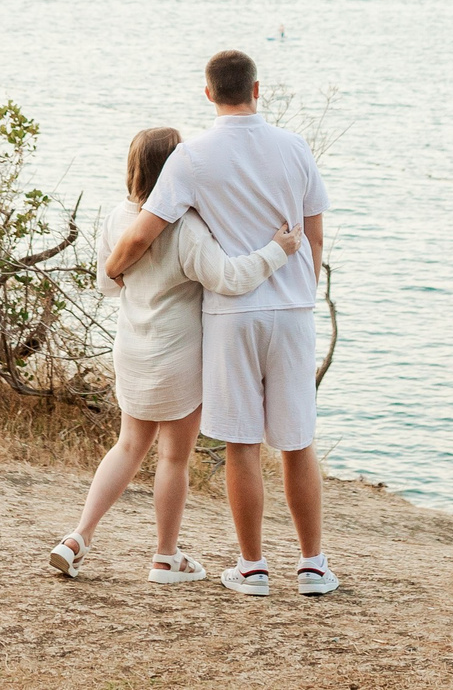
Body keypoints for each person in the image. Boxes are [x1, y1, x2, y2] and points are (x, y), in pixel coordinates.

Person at [104, 49, 335, 597]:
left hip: (233, 314)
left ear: (208, 94)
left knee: (241, 443)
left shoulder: (190, 159)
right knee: (297, 441)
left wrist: (112, 272)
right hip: (291, 310)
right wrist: (302, 288)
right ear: (258, 90)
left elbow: (142, 233)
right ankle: (313, 567)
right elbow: (315, 234)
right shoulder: (295, 148)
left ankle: (253, 568)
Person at [49, 126, 300, 583]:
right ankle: (165, 557)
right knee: (172, 459)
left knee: (127, 446)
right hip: (179, 355)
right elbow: (229, 278)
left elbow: (107, 284)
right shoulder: (185, 226)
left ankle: (77, 537)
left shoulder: (116, 219)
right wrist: (277, 252)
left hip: (132, 349)